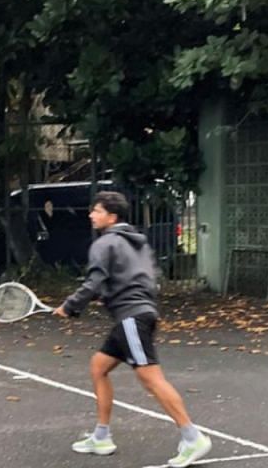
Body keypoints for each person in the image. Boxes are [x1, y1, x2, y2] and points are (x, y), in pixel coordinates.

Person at [52, 191, 210, 468]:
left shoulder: (104, 243)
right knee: (99, 367)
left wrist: (70, 306)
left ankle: (192, 436)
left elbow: (94, 282)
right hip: (141, 313)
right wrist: (110, 296)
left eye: (97, 211)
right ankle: (101, 437)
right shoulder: (138, 243)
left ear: (111, 217)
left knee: (151, 379)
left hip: (131, 318)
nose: (91, 214)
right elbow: (139, 280)